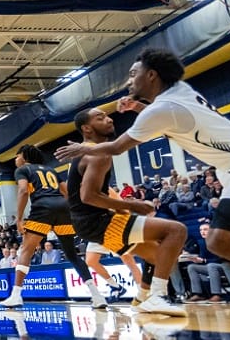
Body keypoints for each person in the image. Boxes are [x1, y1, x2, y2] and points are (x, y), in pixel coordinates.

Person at [56, 49, 230, 321]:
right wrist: (138, 107)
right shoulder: (178, 94)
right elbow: (170, 120)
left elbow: (118, 147)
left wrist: (83, 149)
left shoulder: (162, 109)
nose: (129, 80)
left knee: (219, 242)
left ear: (152, 75)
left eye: (134, 74)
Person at [60, 108, 189, 316]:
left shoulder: (94, 150)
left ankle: (142, 298)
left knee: (162, 256)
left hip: (90, 223)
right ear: (86, 128)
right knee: (177, 231)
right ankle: (158, 297)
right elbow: (88, 196)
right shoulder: (96, 153)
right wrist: (132, 205)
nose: (109, 119)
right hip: (98, 220)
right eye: (100, 118)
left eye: (107, 115)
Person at [0, 144, 108, 309]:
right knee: (72, 254)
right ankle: (97, 296)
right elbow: (66, 191)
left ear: (24, 156)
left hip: (43, 208)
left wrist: (19, 218)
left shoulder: (22, 170)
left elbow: (23, 191)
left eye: (17, 156)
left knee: (26, 251)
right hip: (63, 208)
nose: (16, 160)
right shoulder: (51, 170)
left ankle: (16, 296)